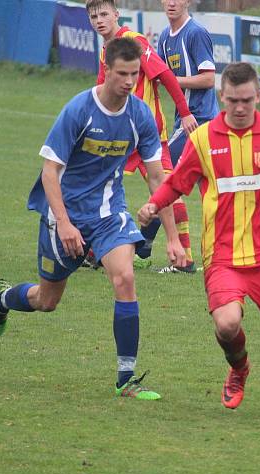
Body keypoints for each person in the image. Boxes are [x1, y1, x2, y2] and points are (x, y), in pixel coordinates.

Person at [0, 38, 185, 401]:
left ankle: (126, 379)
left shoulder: (139, 115)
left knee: (124, 277)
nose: (128, 81)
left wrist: (173, 237)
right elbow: (50, 172)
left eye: (134, 75)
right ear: (106, 69)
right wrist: (63, 223)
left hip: (109, 213)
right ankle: (1, 300)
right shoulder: (79, 110)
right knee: (47, 301)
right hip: (64, 213)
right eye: (121, 74)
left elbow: (159, 178)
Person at [137, 62, 260, 410]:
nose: (239, 107)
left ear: (259, 97)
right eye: (232, 100)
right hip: (222, 254)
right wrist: (154, 205)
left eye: (247, 100)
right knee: (227, 324)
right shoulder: (203, 139)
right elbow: (178, 182)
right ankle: (239, 368)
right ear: (221, 97)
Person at [86, 0, 198, 273]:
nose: (99, 20)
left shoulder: (133, 42)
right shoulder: (106, 51)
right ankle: (93, 251)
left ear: (116, 14)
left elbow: (166, 76)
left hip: (148, 134)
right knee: (96, 187)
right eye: (93, 16)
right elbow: (100, 91)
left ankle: (184, 259)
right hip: (118, 137)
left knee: (169, 191)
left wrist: (184, 113)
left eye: (104, 14)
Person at [146, 0, 221, 272]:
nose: (172, 2)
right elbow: (157, 72)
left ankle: (144, 242)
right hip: (184, 120)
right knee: (206, 190)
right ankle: (183, 258)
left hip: (199, 120)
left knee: (163, 177)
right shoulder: (166, 37)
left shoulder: (195, 33)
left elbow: (209, 78)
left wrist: (171, 80)